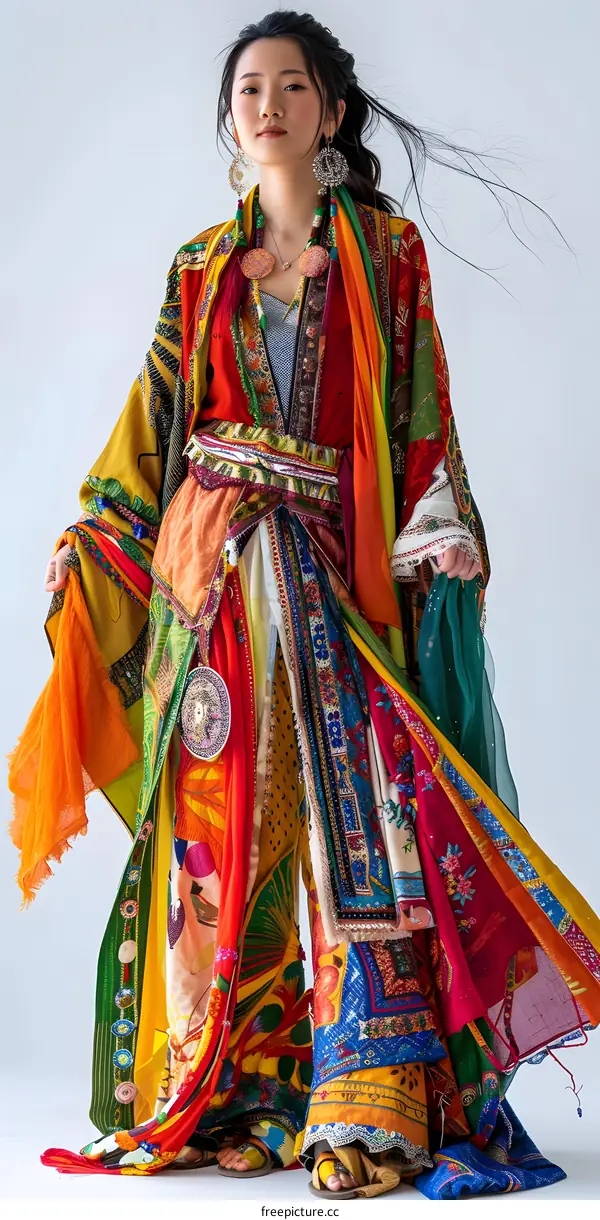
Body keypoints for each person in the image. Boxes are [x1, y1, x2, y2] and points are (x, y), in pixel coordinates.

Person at [9, 9, 600, 1202]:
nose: (267, 105)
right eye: (247, 90)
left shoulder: (386, 255)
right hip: (217, 588)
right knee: (225, 846)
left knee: (363, 827)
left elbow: (421, 406)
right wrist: (98, 530)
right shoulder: (199, 268)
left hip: (331, 581)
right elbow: (155, 419)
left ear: (331, 113)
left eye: (291, 86)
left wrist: (440, 528)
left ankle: (369, 1098)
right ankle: (240, 1086)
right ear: (230, 121)